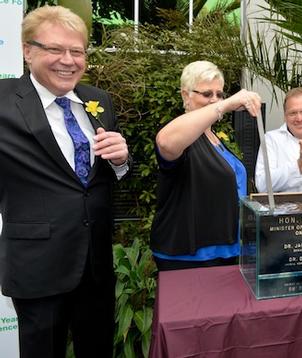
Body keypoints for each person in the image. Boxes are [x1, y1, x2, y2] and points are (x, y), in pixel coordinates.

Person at [0, 5, 130, 358]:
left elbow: (99, 179)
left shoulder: (97, 99)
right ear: (28, 51)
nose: (68, 60)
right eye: (55, 49)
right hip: (37, 267)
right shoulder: (3, 101)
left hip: (95, 266)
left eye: (77, 51)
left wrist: (120, 160)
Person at [150, 61, 262, 271]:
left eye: (219, 94)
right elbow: (165, 142)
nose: (215, 100)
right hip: (190, 257)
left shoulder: (215, 138)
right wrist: (225, 105)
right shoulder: (183, 135)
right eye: (207, 94)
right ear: (186, 95)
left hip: (228, 251)